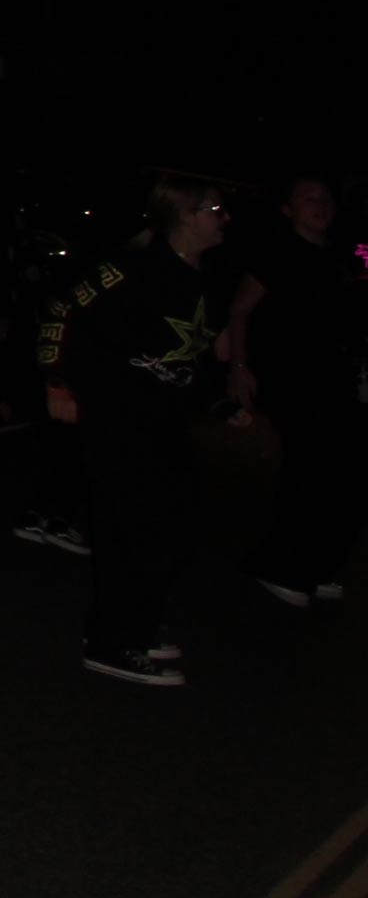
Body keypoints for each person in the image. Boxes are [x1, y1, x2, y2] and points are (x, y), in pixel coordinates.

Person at [43, 174, 231, 686]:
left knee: (173, 525)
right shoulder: (130, 268)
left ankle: (137, 625)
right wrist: (57, 381)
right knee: (129, 529)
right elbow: (61, 311)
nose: (225, 219)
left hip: (167, 420)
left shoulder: (204, 278)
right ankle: (111, 641)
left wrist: (219, 397)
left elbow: (195, 355)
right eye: (215, 210)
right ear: (185, 216)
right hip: (118, 416)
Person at [232, 176, 363, 607]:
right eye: (309, 198)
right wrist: (239, 366)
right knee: (312, 471)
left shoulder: (341, 255)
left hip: (336, 376)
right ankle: (281, 565)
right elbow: (241, 309)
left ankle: (313, 564)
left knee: (342, 475)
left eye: (326, 198)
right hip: (294, 378)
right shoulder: (277, 252)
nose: (321, 205)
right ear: (288, 209)